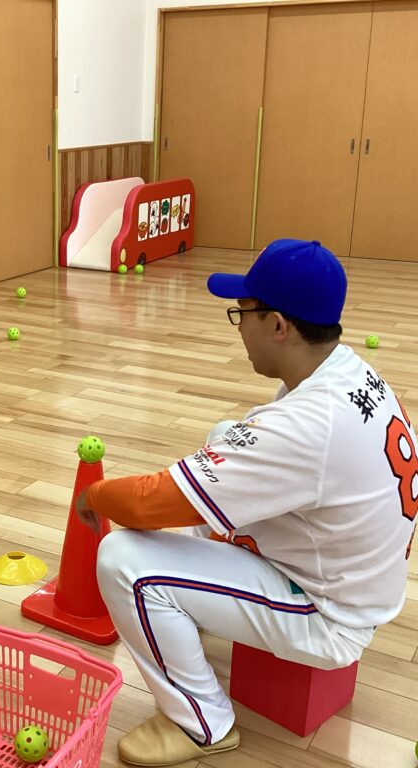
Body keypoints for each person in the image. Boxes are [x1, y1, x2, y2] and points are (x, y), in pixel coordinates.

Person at [76, 239, 416, 766]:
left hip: (330, 614)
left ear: (278, 326)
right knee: (225, 437)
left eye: (242, 313)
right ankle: (193, 611)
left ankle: (201, 724)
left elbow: (147, 504)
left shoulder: (308, 427)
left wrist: (96, 493)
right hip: (352, 570)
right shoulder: (345, 370)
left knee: (124, 563)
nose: (239, 326)